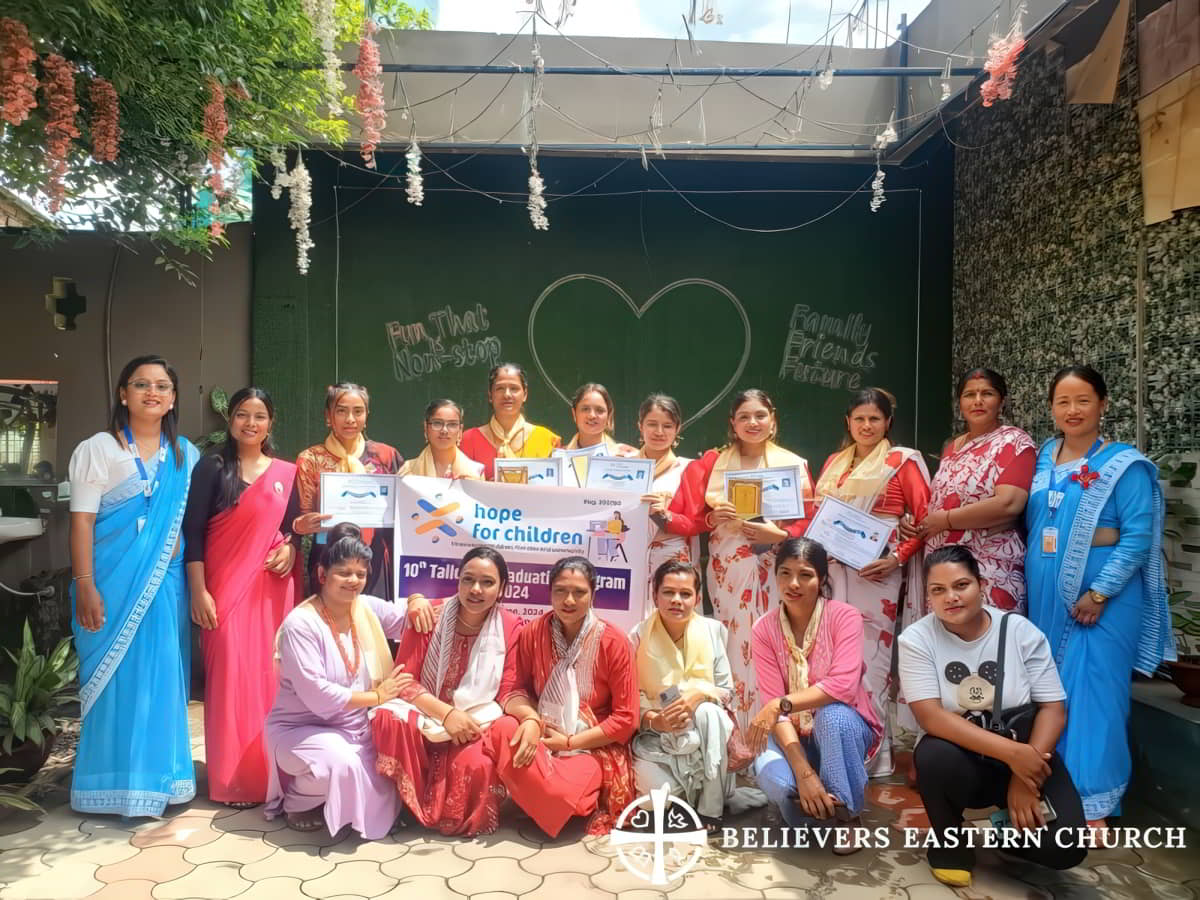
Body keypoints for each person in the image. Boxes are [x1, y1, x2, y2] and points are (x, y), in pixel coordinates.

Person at [1025, 365, 1173, 833]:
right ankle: (1051, 791)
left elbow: (1136, 538)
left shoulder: (1124, 465)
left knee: (1096, 697)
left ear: (1103, 404)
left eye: (1083, 400)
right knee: (1050, 695)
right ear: (1052, 407)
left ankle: (1094, 806)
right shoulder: (1045, 456)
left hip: (1102, 604)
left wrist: (1100, 591)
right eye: (1063, 401)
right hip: (1046, 599)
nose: (1072, 410)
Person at [899, 545, 1087, 887]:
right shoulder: (916, 639)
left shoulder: (1019, 631)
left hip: (1026, 752)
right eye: (937, 590)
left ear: (981, 584)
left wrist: (1024, 778)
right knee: (933, 754)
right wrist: (1014, 756)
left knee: (1066, 848)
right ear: (927, 596)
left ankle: (1005, 833)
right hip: (966, 758)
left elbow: (1053, 709)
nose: (951, 598)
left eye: (961, 585)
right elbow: (931, 717)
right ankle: (949, 846)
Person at [68, 354, 200, 816]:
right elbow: (82, 524)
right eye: (141, 384)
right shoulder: (97, 449)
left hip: (165, 587)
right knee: (115, 682)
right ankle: (107, 784)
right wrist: (85, 584)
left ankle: (162, 781)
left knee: (160, 679)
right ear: (123, 393)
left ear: (172, 399)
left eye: (162, 386)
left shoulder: (186, 455)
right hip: (108, 584)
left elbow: (200, 527)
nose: (152, 392)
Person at [664, 389, 815, 730]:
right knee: (734, 642)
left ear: (772, 420)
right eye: (744, 417)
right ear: (732, 423)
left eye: (760, 415)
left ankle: (779, 729)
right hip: (729, 565)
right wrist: (711, 520)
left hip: (779, 564)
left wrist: (782, 536)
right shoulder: (713, 463)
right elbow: (690, 516)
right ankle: (737, 731)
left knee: (780, 638)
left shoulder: (794, 464)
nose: (753, 423)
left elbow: (811, 519)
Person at [182, 387, 302, 807]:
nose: (251, 423)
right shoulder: (211, 468)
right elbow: (192, 534)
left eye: (260, 416)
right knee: (230, 681)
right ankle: (233, 780)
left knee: (271, 681)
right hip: (224, 593)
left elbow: (293, 530)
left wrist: (291, 549)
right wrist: (199, 591)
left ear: (271, 422)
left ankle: (273, 774)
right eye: (242, 415)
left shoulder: (287, 473)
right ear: (230, 420)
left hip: (271, 593)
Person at [265, 523, 414, 838]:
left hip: (356, 727)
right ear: (322, 575)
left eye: (360, 574)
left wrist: (418, 601)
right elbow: (317, 694)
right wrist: (377, 697)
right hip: (300, 729)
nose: (354, 581)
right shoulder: (301, 625)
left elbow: (406, 623)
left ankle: (339, 798)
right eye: (344, 573)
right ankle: (297, 801)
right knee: (341, 763)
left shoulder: (366, 608)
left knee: (395, 759)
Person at [813, 388, 930, 775]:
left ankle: (874, 756)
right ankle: (837, 747)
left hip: (877, 575)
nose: (866, 426)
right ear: (848, 422)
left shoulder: (902, 462)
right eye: (859, 419)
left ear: (887, 423)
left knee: (872, 663)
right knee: (834, 659)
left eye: (874, 419)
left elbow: (925, 518)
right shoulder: (834, 463)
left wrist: (896, 557)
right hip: (833, 574)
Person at [372, 547, 523, 836]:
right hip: (427, 712)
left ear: (503, 587)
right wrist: (446, 714)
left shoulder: (511, 626)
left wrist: (526, 718)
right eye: (468, 579)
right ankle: (403, 805)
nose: (475, 589)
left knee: (476, 765)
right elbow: (405, 679)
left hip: (476, 719)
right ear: (458, 581)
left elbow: (508, 689)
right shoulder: (430, 615)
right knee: (385, 719)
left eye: (488, 582)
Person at [487, 556, 638, 837]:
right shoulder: (533, 632)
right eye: (560, 591)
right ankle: (547, 800)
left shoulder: (614, 641)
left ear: (593, 594)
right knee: (502, 728)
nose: (569, 600)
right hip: (543, 734)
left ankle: (547, 800)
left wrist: (569, 742)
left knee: (561, 791)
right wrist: (531, 721)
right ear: (549, 593)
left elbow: (627, 719)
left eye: (579, 592)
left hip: (591, 745)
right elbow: (514, 688)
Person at [748, 538, 881, 854]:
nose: (793, 584)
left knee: (832, 716)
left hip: (841, 730)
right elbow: (775, 709)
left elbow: (843, 687)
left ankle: (847, 817)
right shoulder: (764, 629)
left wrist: (781, 703)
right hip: (791, 735)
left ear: (821, 579)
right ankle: (817, 803)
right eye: (785, 573)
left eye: (805, 574)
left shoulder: (844, 616)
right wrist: (804, 772)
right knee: (780, 784)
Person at [630, 561, 766, 829]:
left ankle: (710, 810)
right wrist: (655, 720)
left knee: (708, 711)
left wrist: (698, 694)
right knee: (655, 800)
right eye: (668, 592)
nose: (676, 601)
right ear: (654, 595)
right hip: (658, 738)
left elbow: (726, 692)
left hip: (706, 739)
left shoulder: (713, 631)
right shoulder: (638, 635)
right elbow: (630, 696)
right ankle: (692, 794)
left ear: (697, 598)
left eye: (685, 594)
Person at [908, 368, 1035, 613]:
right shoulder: (953, 447)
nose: (977, 401)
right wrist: (917, 523)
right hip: (943, 567)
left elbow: (1009, 504)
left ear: (1002, 401)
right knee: (947, 646)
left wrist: (944, 520)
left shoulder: (1014, 441)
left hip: (989, 568)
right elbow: (941, 499)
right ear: (960, 402)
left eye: (987, 393)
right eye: (969, 395)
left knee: (989, 643)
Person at [293, 382, 402, 599]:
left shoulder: (386, 456)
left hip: (376, 558)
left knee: (372, 626)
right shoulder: (311, 459)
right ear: (328, 415)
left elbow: (401, 510)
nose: (350, 419)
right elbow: (301, 514)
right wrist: (303, 524)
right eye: (341, 411)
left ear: (367, 415)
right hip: (329, 558)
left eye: (358, 411)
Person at [637, 394, 699, 614]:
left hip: (670, 560)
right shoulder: (622, 468)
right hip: (629, 557)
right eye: (652, 424)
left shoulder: (687, 468)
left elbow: (695, 524)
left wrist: (665, 515)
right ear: (640, 425)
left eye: (667, 426)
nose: (659, 432)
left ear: (677, 429)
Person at [459, 363, 560, 480]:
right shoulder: (469, 440)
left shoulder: (547, 440)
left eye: (514, 388)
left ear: (525, 394)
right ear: (490, 395)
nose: (507, 395)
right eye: (500, 388)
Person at [398, 399, 484, 480]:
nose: (444, 430)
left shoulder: (475, 473)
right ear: (426, 427)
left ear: (460, 430)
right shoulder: (408, 470)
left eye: (452, 424)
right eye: (437, 423)